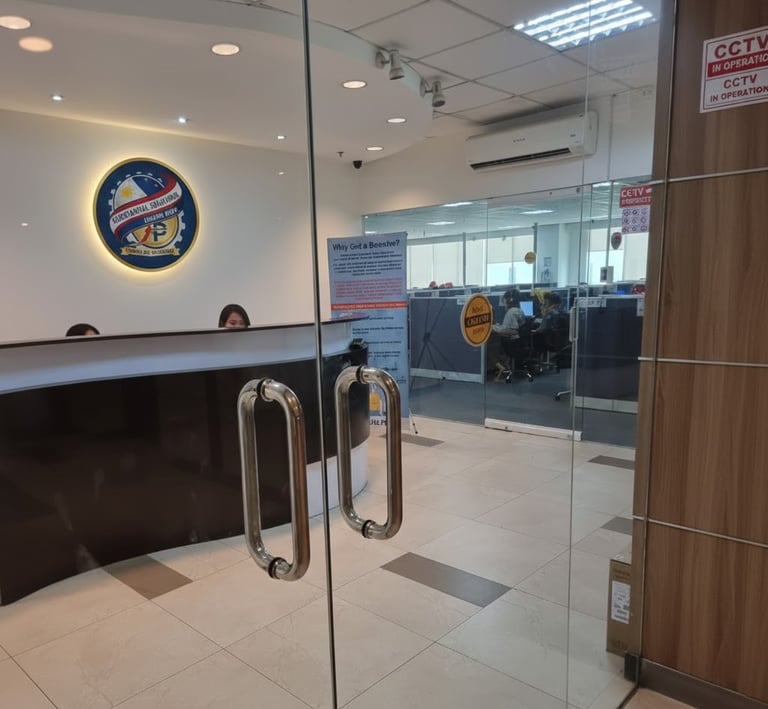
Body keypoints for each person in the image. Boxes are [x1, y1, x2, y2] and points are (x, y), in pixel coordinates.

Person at [491, 289, 526, 380]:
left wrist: (494, 328)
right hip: (518, 342)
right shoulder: (519, 310)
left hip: (512, 343)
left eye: (504, 300)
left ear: (509, 300)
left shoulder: (511, 312)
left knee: (490, 350)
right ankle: (506, 366)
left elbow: (512, 330)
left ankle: (503, 367)